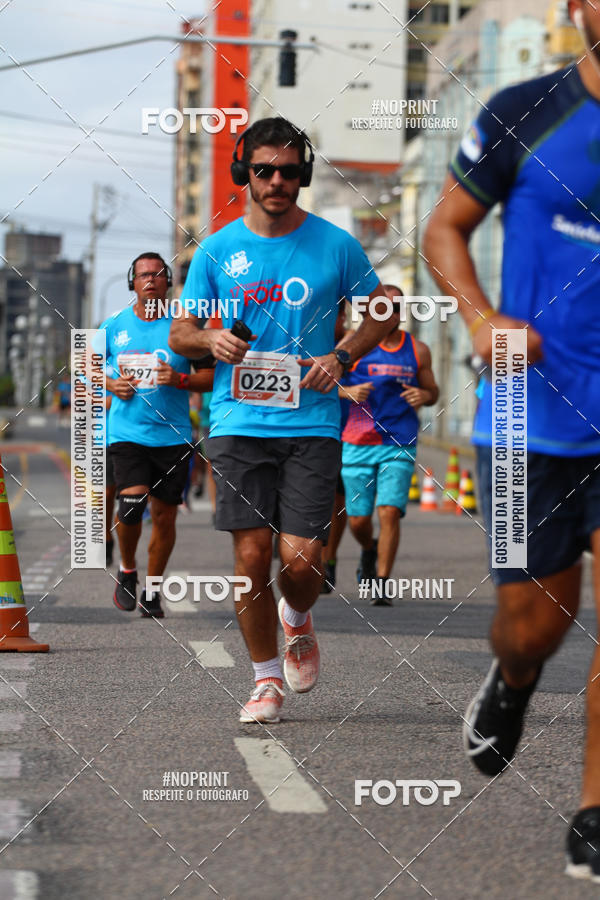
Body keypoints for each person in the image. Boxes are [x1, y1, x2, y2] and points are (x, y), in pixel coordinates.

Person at [424, 0, 600, 879]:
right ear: (577, 7)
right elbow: (443, 227)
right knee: (534, 623)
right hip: (533, 420)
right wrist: (480, 316)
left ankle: (597, 808)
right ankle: (515, 679)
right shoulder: (526, 110)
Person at [169, 116, 395, 724]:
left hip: (313, 425)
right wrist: (211, 340)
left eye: (289, 172)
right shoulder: (216, 250)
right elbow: (181, 332)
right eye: (264, 170)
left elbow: (383, 310)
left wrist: (342, 353)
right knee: (249, 556)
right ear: (244, 172)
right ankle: (264, 679)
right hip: (238, 423)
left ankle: (298, 617)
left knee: (301, 563)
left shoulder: (336, 245)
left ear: (304, 175)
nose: (276, 181)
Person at [100, 252, 213, 617]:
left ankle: (153, 589)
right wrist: (111, 383)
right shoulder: (113, 325)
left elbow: (210, 377)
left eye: (157, 274)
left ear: (168, 282)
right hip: (127, 433)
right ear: (132, 282)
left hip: (173, 436)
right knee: (131, 506)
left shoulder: (183, 327)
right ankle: (129, 569)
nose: (150, 280)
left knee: (165, 517)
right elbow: (85, 364)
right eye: (143, 275)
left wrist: (179, 379)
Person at [340, 284, 438, 604]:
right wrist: (347, 392)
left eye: (395, 308)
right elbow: (326, 383)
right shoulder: (352, 345)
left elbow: (432, 391)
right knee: (358, 519)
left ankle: (381, 583)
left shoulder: (418, 350)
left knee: (389, 512)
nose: (388, 313)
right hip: (357, 439)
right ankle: (368, 550)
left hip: (400, 439)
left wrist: (425, 395)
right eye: (381, 307)